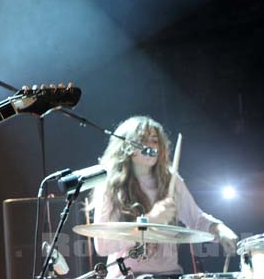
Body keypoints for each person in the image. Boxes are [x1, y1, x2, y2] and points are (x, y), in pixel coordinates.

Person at [91, 116, 237, 278]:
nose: (151, 145)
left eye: (155, 140)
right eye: (143, 140)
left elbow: (196, 219)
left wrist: (219, 229)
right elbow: (103, 245)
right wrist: (150, 220)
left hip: (170, 274)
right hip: (128, 276)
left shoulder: (170, 180)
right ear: (127, 145)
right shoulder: (110, 186)